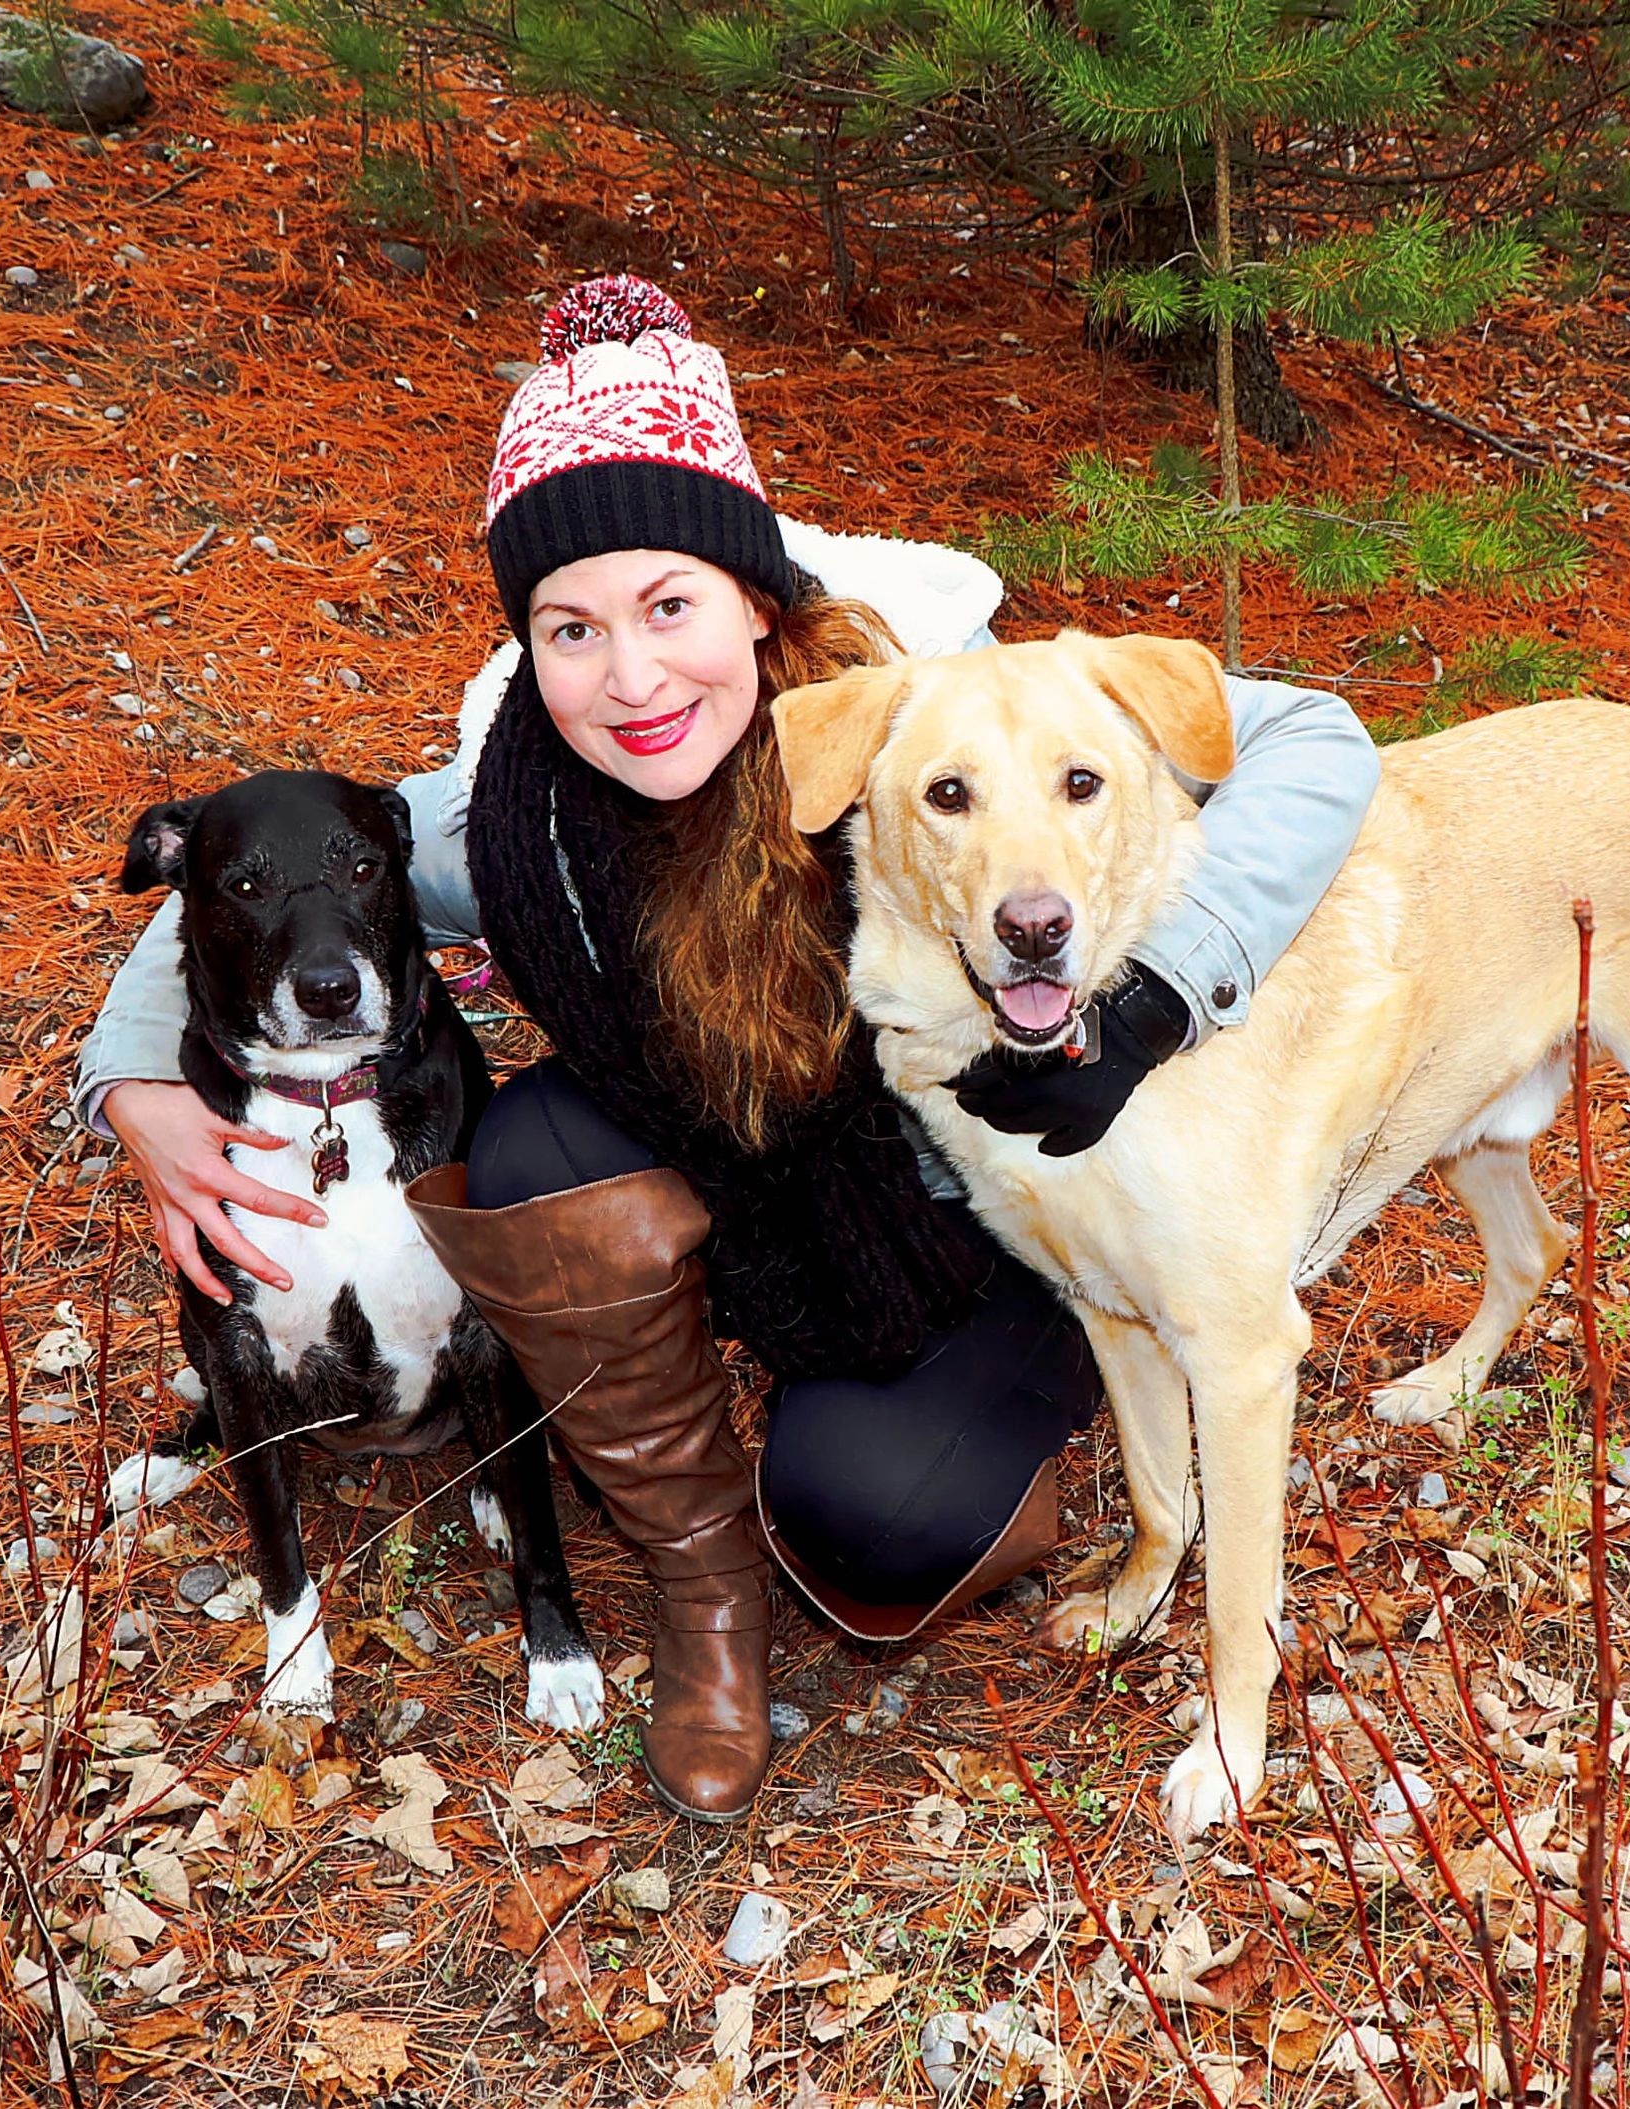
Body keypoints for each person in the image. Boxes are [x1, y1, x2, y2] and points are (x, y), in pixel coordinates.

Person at [74, 275, 1381, 1824]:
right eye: (572, 628)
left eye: (670, 607)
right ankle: (704, 1591)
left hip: (1036, 1216)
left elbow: (1316, 741)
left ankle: (1032, 1400)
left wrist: (1165, 986)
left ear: (758, 596)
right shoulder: (518, 816)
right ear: (531, 646)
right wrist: (138, 1081)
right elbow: (283, 867)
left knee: (872, 1519)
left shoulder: (933, 718)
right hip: (792, 1234)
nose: (630, 678)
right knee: (532, 1148)